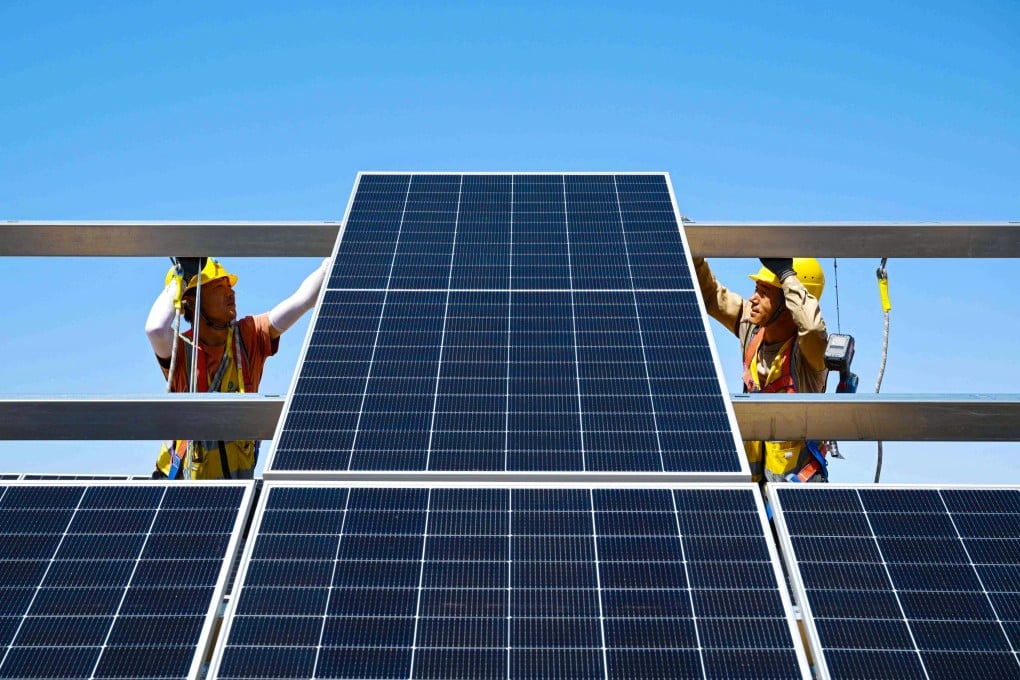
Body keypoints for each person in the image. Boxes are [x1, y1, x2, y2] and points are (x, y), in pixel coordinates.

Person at [145, 257, 329, 479]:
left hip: (233, 490)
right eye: (218, 287)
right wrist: (181, 278)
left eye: (229, 286)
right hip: (180, 489)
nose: (231, 293)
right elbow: (155, 329)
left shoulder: (250, 336)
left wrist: (330, 265)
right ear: (191, 302)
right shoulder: (181, 349)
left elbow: (304, 300)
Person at [693, 256, 830, 483]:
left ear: (790, 302)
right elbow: (711, 295)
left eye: (764, 292)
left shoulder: (809, 354)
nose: (753, 299)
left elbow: (813, 328)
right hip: (757, 489)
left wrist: (787, 277)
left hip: (800, 494)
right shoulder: (752, 329)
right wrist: (695, 253)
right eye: (756, 289)